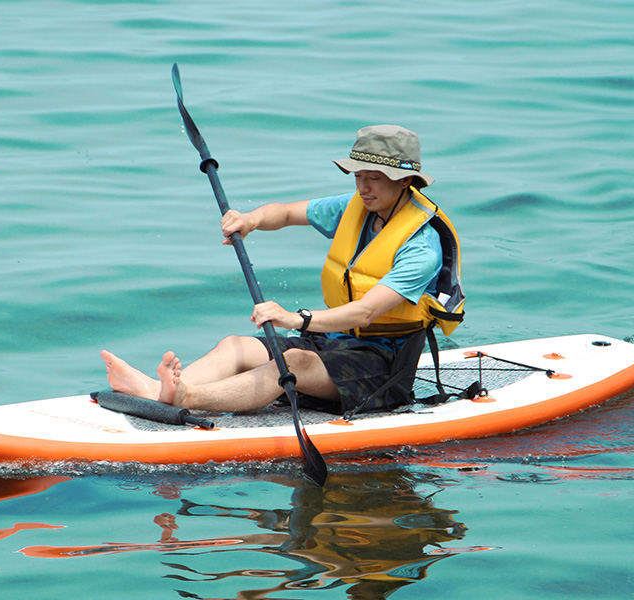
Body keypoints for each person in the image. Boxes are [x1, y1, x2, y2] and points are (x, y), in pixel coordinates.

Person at [101, 125, 464, 414]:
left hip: (383, 366)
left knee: (294, 363)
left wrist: (296, 319)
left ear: (405, 181)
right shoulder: (360, 206)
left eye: (375, 177)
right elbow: (288, 212)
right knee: (236, 347)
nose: (362, 186)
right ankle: (156, 391)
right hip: (336, 342)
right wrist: (250, 219)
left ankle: (184, 398)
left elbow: (367, 311)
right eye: (358, 175)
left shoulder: (422, 245)